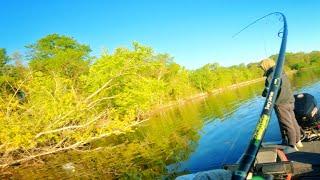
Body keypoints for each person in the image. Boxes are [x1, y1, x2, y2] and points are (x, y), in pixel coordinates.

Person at [259, 58, 303, 151]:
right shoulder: (281, 72)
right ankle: (298, 142)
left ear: (266, 66)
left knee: (287, 124)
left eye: (262, 67)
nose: (262, 69)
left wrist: (263, 93)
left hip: (281, 103)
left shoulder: (270, 76)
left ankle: (292, 146)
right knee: (293, 121)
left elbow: (267, 92)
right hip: (290, 101)